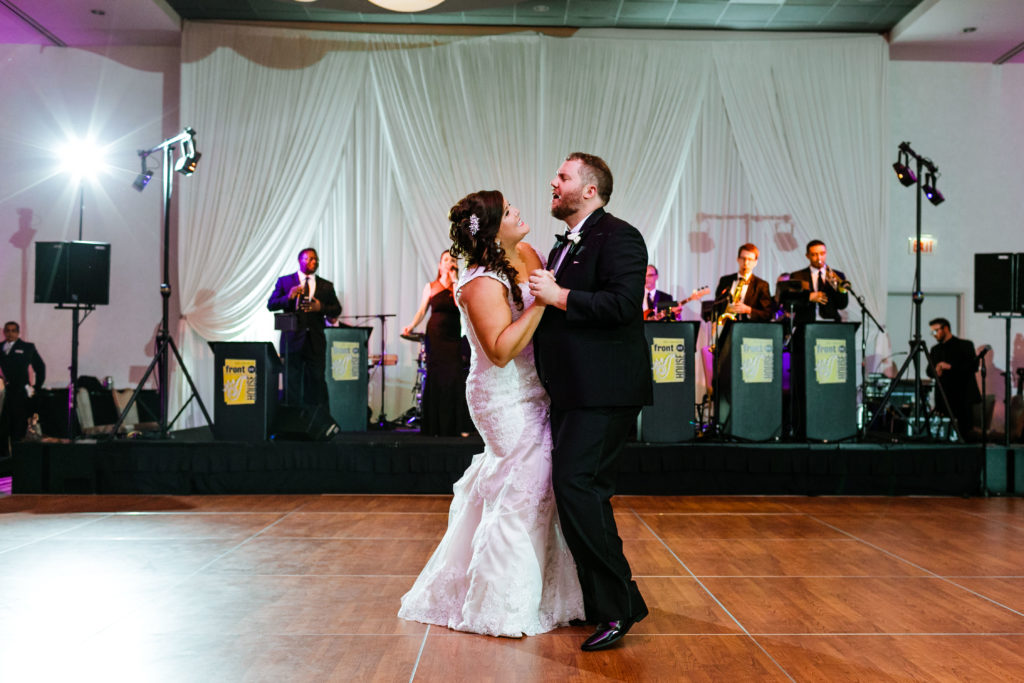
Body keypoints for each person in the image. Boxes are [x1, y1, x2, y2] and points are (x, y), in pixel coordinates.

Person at [399, 190, 583, 637]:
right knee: (522, 491)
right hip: (501, 397)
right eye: (509, 211)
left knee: (533, 490)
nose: (519, 212)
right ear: (494, 228)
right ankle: (499, 604)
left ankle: (539, 591)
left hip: (536, 390)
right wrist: (541, 301)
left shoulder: (527, 252)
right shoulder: (478, 281)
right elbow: (500, 350)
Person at [529, 152, 652, 652]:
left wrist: (559, 297)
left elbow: (623, 305)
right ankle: (612, 602)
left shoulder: (619, 235)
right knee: (580, 491)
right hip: (574, 391)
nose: (553, 182)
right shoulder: (565, 243)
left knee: (578, 487)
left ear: (590, 190)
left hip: (605, 391)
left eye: (563, 176)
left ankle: (617, 608)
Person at [401, 251, 471, 436]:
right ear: (440, 265)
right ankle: (435, 426)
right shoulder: (431, 286)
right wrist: (411, 325)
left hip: (453, 338)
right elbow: (422, 311)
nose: (450, 262)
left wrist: (455, 280)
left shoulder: (459, 286)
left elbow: (461, 306)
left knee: (454, 377)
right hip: (436, 337)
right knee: (436, 377)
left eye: (453, 260)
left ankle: (455, 427)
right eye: (446, 260)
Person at [267, 248, 342, 408]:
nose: (313, 262)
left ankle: (315, 421)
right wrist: (288, 297)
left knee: (316, 381)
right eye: (309, 259)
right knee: (291, 381)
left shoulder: (325, 286)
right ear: (300, 260)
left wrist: (320, 307)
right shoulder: (285, 282)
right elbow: (271, 305)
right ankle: (294, 421)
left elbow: (336, 309)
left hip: (315, 341)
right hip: (291, 340)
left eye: (315, 259)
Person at [927, 317, 982, 440]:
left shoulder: (965, 345)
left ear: (945, 328)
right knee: (944, 433)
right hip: (944, 398)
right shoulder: (935, 350)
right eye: (932, 332)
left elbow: (972, 367)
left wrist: (950, 367)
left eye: (936, 331)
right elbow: (929, 371)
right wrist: (936, 370)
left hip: (963, 398)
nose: (934, 335)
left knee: (964, 433)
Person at [0, 321, 46, 446]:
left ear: (18, 332)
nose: (10, 333)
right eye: (7, 330)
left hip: (21, 389)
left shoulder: (27, 347)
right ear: (4, 332)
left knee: (19, 421)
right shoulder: (1, 347)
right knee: (5, 422)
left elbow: (40, 367)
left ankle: (18, 449)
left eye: (13, 330)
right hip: (6, 390)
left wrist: (37, 386)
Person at [787, 240, 849, 325]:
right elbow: (790, 304)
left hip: (831, 323)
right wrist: (808, 297)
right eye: (814, 254)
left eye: (822, 253)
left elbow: (842, 305)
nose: (819, 258)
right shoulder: (797, 276)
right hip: (805, 323)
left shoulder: (837, 275)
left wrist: (837, 287)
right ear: (807, 256)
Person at [713, 243, 773, 323]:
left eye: (750, 259)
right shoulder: (725, 280)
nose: (746, 263)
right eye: (743, 258)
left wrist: (748, 310)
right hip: (724, 328)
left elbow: (767, 314)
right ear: (738, 259)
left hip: (748, 330)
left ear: (755, 262)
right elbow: (716, 305)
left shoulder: (762, 285)